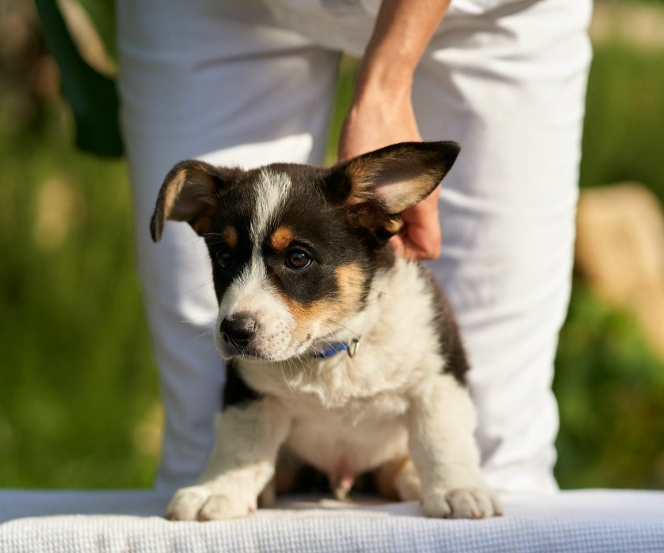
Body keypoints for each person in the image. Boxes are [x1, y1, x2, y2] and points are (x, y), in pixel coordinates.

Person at [116, 0, 593, 496]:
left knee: (499, 459)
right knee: (201, 468)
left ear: (373, 215)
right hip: (221, 12)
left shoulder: (413, 318)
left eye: (296, 258)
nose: (241, 307)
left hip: (476, 14)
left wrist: (387, 82)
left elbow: (435, 385)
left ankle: (418, 487)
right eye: (226, 257)